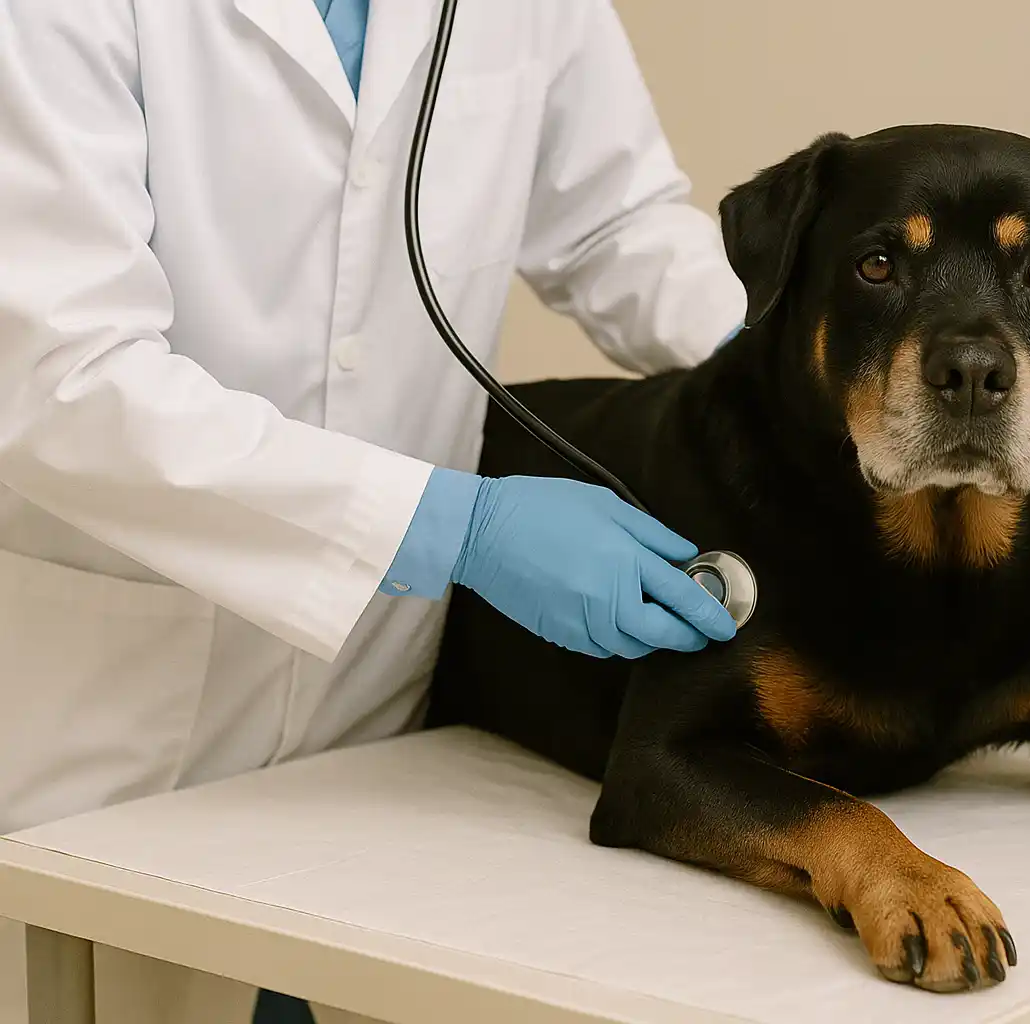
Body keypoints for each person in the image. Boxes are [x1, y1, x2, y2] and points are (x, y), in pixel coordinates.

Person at [0, 1, 746, 1020]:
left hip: (374, 727)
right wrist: (457, 526)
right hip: (107, 735)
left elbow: (616, 223)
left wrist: (813, 379)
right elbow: (65, 380)